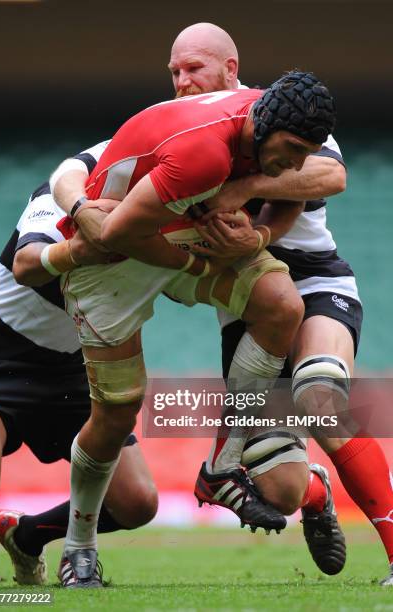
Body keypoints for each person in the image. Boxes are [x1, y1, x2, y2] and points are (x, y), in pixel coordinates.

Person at [43, 71, 336, 587]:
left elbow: (325, 177)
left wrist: (260, 226)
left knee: (281, 306)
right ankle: (78, 546)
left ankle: (221, 468)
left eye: (303, 153)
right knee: (116, 413)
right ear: (263, 123)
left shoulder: (269, 120)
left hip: (181, 234)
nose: (293, 164)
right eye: (290, 150)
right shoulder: (203, 150)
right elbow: (115, 232)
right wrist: (203, 266)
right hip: (111, 262)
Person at [169, 23, 393, 586]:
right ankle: (315, 494)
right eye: (174, 72)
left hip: (316, 283)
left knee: (320, 394)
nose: (182, 82)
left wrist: (244, 197)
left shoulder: (279, 113)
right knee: (279, 488)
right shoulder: (177, 136)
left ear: (230, 68)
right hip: (249, 313)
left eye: (194, 68)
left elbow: (331, 172)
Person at [0, 185, 159, 586]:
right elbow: (26, 263)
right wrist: (83, 248)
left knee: (136, 503)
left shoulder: (162, 213)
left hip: (72, 372)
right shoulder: (60, 194)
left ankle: (26, 537)